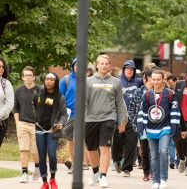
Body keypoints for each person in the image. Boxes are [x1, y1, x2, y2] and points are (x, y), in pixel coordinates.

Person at [85, 54, 128, 188]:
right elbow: (83, 103)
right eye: (101, 64)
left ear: (109, 65)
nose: (104, 66)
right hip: (90, 119)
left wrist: (122, 121)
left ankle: (103, 176)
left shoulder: (116, 82)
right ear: (97, 65)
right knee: (91, 148)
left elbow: (120, 103)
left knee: (105, 147)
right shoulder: (88, 81)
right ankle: (95, 172)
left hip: (108, 118)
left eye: (106, 64)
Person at [137, 70, 180, 189]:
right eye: (153, 79)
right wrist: (141, 125)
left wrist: (174, 126)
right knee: (154, 155)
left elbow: (175, 111)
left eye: (158, 79)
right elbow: (142, 111)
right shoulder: (146, 95)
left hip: (165, 128)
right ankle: (155, 181)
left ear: (163, 80)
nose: (155, 82)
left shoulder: (171, 94)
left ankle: (163, 178)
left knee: (163, 151)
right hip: (151, 129)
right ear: (150, 80)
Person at [34, 72, 68, 189]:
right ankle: (44, 182)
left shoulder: (60, 97)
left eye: (51, 80)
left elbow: (64, 114)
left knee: (52, 155)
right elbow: (34, 108)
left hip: (52, 131)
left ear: (55, 82)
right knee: (42, 156)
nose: (48, 81)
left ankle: (52, 179)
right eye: (47, 79)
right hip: (39, 130)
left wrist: (61, 123)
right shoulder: (38, 94)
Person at [112, 60, 142, 177]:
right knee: (117, 143)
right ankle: (117, 161)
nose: (129, 71)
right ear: (123, 70)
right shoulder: (117, 82)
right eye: (127, 68)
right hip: (119, 117)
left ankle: (127, 168)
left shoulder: (139, 82)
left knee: (131, 144)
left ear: (134, 71)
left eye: (131, 69)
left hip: (133, 117)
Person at [59, 58, 89, 173]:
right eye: (76, 65)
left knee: (79, 139)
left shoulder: (88, 81)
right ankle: (72, 161)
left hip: (83, 114)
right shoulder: (66, 80)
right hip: (69, 114)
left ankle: (79, 163)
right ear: (73, 66)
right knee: (70, 138)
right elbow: (59, 97)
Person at [14, 66, 40, 183]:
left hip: (37, 125)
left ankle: (37, 168)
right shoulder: (18, 91)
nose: (28, 77)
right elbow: (16, 108)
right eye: (26, 75)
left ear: (34, 77)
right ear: (22, 77)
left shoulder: (40, 91)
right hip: (23, 124)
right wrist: (18, 123)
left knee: (35, 150)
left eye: (30, 75)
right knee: (24, 149)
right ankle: (24, 173)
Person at [128, 69, 153, 181]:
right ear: (146, 79)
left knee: (155, 150)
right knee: (145, 150)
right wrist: (135, 124)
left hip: (157, 126)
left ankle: (154, 172)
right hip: (142, 126)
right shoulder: (138, 92)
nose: (156, 81)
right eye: (153, 78)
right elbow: (132, 109)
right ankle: (146, 172)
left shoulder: (162, 92)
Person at [0, 57, 14, 147]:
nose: (1, 68)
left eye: (2, 67)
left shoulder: (6, 83)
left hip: (1, 121)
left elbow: (10, 103)